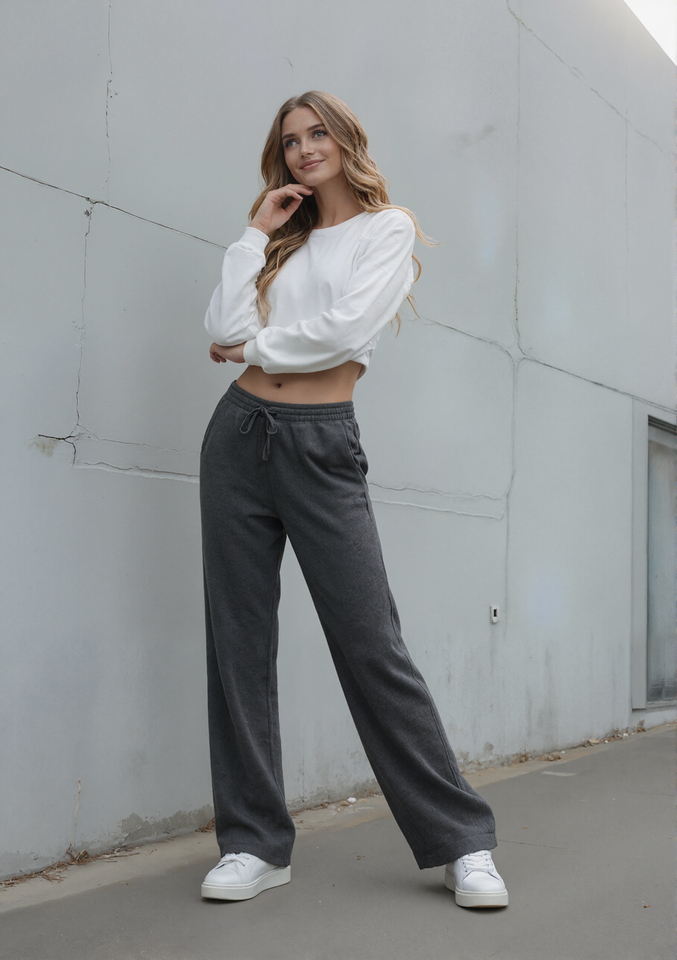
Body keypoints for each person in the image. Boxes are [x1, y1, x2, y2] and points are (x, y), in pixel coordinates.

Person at [199, 91, 508, 909]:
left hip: (319, 442)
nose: (304, 149)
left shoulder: (386, 229)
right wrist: (253, 234)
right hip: (236, 436)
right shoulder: (281, 242)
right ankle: (253, 844)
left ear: (345, 141)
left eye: (317, 134)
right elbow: (220, 325)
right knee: (237, 642)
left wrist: (253, 345)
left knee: (371, 643)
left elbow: (339, 332)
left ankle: (461, 841)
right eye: (290, 141)